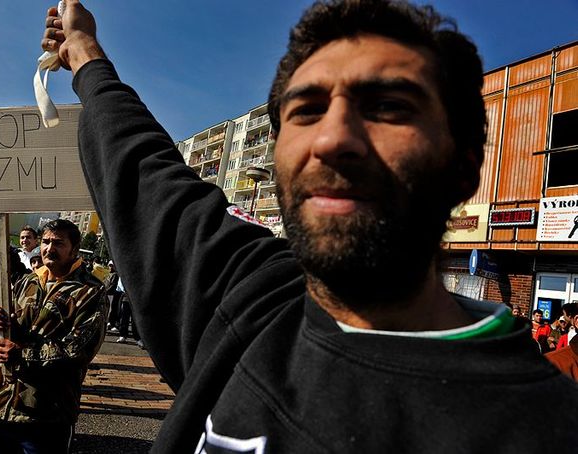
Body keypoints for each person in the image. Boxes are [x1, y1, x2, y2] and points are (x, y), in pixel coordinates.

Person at [43, 0, 578, 451]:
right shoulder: (251, 301)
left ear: (463, 168)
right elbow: (146, 172)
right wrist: (87, 54)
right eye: (306, 110)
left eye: (389, 107)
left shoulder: (545, 428)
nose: (332, 139)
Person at [0, 219, 108, 453]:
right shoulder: (27, 281)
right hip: (4, 405)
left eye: (59, 243)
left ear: (74, 248)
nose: (50, 248)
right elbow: (0, 330)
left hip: (48, 412)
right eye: (46, 241)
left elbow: (78, 350)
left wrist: (21, 354)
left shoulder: (90, 291)